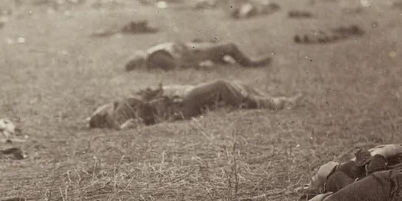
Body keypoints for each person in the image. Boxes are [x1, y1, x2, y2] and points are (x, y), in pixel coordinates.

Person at [88, 80, 296, 130]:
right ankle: (273, 103)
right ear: (103, 116)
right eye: (100, 111)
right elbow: (127, 126)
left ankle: (272, 99)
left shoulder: (121, 105)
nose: (103, 107)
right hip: (178, 108)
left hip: (179, 98)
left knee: (234, 84)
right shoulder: (119, 113)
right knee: (221, 85)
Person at [124, 41, 273, 72]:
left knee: (221, 49)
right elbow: (176, 65)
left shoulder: (153, 53)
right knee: (230, 47)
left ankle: (229, 63)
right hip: (194, 55)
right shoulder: (154, 56)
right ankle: (251, 64)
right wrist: (198, 66)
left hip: (193, 51)